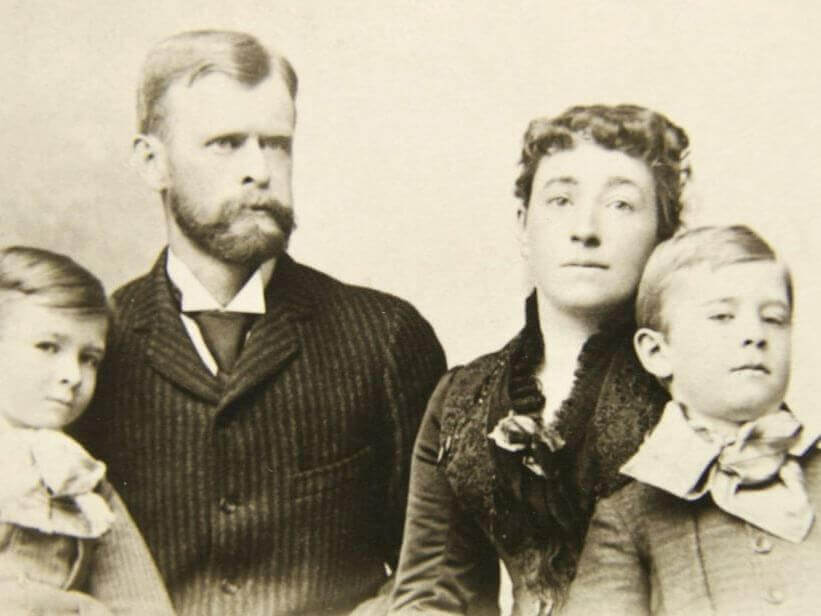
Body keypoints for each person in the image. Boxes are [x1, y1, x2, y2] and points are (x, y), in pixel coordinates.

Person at [70, 30, 446, 616]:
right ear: (152, 161)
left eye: (276, 144)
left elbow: (444, 572)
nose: (259, 171)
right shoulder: (89, 349)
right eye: (226, 144)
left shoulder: (385, 337)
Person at [389, 104, 691, 615]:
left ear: (665, 233)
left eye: (621, 204)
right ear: (523, 225)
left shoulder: (699, 380)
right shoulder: (463, 397)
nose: (585, 230)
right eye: (561, 200)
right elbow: (435, 590)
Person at [563, 226, 820, 616]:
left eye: (774, 318)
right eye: (722, 316)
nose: (755, 334)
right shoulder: (629, 518)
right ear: (656, 352)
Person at [0, 246, 174, 615]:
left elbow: (139, 598)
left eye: (88, 358)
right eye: (48, 346)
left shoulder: (79, 476)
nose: (73, 375)